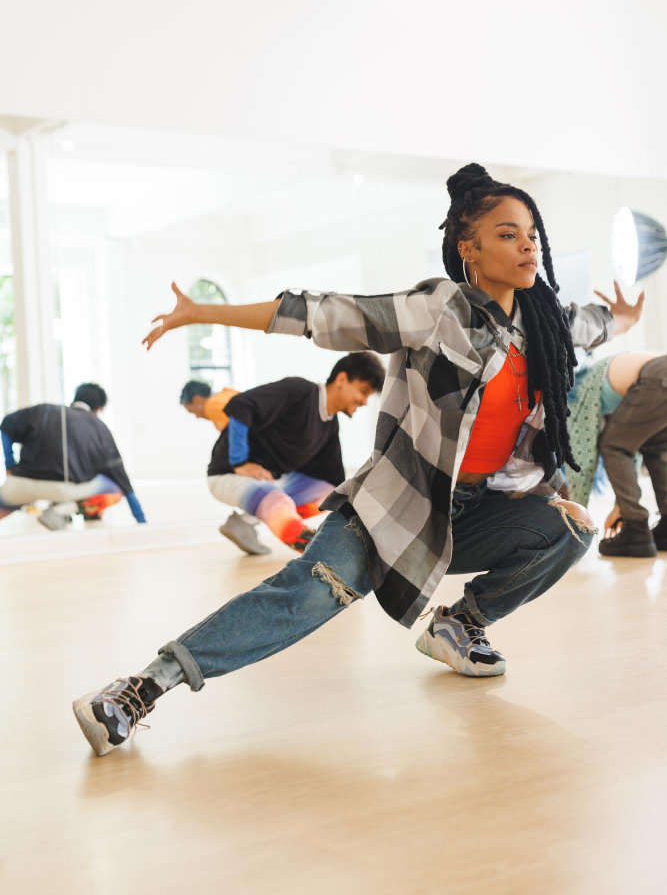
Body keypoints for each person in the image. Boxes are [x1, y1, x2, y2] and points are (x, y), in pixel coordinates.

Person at [73, 163, 644, 758]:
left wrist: (625, 317)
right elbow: (329, 313)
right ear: (468, 249)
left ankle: (460, 625)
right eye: (507, 233)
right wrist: (204, 314)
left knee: (568, 528)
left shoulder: (544, 319)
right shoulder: (441, 308)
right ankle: (140, 688)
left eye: (531, 232)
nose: (527, 243)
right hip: (397, 508)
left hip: (477, 511)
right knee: (303, 597)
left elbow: (594, 325)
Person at [206, 353, 385, 555]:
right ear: (342, 380)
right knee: (277, 502)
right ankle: (321, 552)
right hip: (227, 474)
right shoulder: (301, 391)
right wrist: (239, 461)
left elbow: (334, 484)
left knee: (329, 494)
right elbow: (241, 404)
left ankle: (244, 523)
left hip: (267, 481)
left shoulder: (329, 426)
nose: (364, 402)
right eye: (363, 391)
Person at [563, 348, 667, 557]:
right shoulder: (604, 376)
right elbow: (633, 446)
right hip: (660, 375)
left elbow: (579, 457)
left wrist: (574, 523)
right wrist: (620, 506)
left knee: (613, 446)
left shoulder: (579, 393)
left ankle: (636, 530)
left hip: (658, 378)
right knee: (654, 448)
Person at [1, 382, 145, 530]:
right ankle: (60, 510)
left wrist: (10, 465)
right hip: (65, 490)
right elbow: (121, 477)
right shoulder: (99, 426)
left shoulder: (43, 410)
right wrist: (141, 520)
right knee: (114, 489)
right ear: (98, 408)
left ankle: (59, 507)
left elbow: (6, 424)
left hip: (22, 484)